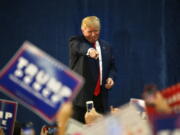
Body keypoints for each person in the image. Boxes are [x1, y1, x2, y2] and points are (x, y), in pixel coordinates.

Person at [68, 16, 117, 123]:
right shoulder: (76, 42)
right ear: (82, 29)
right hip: (80, 100)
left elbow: (112, 67)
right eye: (89, 32)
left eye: (96, 31)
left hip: (100, 99)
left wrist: (111, 78)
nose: (93, 35)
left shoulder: (107, 47)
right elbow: (80, 48)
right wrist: (90, 51)